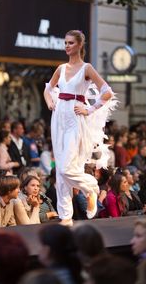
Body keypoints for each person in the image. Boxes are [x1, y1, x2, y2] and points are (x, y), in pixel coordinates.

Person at [44, 30, 115, 225]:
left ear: (79, 45)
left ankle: (91, 187)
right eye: (65, 43)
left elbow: (107, 92)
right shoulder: (61, 67)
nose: (67, 46)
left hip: (75, 119)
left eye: (71, 43)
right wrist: (50, 101)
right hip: (58, 117)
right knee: (60, 169)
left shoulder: (87, 68)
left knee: (67, 168)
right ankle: (66, 215)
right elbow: (48, 88)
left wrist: (90, 109)